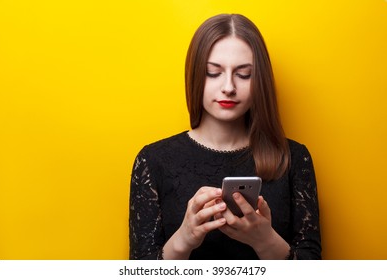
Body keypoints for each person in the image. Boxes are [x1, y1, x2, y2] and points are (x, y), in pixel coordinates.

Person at [129, 13, 321, 260]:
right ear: (196, 74)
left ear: (260, 80)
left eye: (243, 74)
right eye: (213, 72)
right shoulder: (153, 161)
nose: (228, 87)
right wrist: (184, 239)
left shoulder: (294, 158)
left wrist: (265, 240)